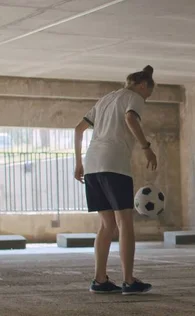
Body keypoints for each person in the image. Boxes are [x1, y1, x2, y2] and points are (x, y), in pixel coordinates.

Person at [73, 65, 157, 295]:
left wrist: (79, 163)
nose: (147, 98)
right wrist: (146, 147)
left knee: (106, 225)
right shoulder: (134, 97)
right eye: (149, 93)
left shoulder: (106, 99)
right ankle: (129, 280)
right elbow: (131, 118)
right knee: (124, 223)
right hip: (114, 164)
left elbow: (79, 129)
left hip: (92, 165)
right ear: (142, 86)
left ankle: (99, 280)